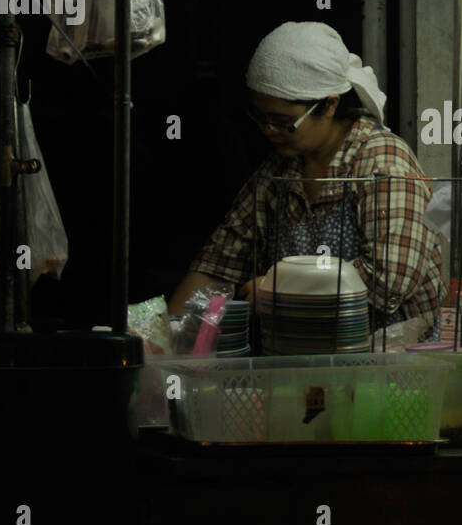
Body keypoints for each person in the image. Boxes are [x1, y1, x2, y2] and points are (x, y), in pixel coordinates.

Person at [167, 22, 444, 338]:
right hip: (309, 362)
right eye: (260, 118)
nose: (268, 131)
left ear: (329, 104)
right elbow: (217, 266)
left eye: (283, 123)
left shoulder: (383, 161)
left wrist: (279, 291)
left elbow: (389, 282)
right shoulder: (280, 173)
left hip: (390, 366)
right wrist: (167, 337)